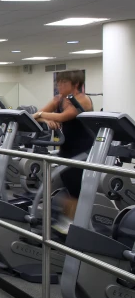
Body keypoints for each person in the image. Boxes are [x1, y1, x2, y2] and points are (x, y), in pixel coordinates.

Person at [33, 70, 93, 232]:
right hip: (65, 148)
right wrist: (46, 118)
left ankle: (73, 225)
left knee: (75, 189)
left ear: (76, 85)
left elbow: (63, 117)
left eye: (64, 83)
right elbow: (35, 116)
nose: (59, 86)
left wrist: (46, 115)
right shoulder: (58, 100)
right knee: (68, 185)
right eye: (58, 83)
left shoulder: (83, 100)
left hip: (83, 150)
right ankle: (69, 221)